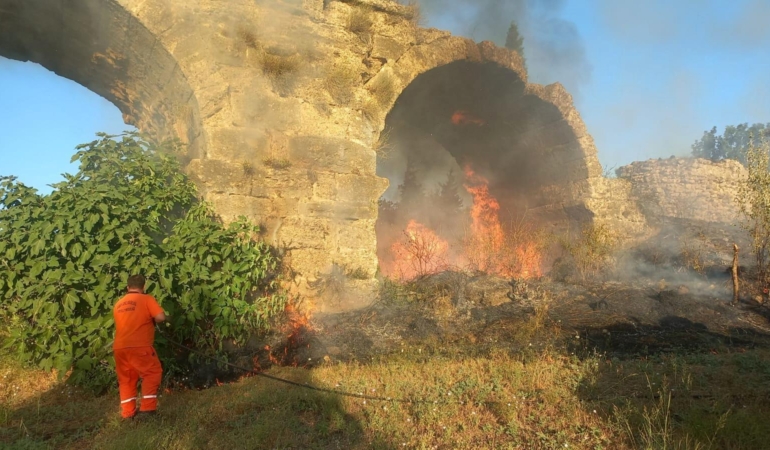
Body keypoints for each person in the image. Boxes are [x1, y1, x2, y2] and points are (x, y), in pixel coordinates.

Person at [113, 274, 166, 419]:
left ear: (127, 287)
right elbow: (160, 317)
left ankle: (128, 413)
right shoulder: (146, 299)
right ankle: (147, 411)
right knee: (152, 373)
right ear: (144, 287)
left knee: (127, 379)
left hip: (119, 347)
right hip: (139, 345)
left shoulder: (119, 303)